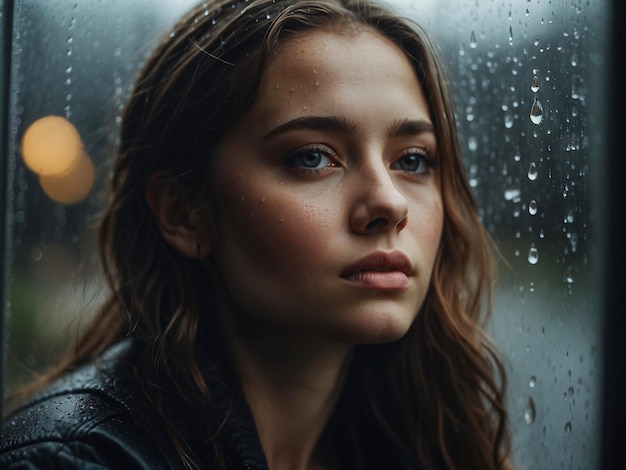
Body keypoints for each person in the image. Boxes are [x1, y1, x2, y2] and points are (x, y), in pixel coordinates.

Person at [0, 0, 512, 468]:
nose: (389, 203)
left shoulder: (430, 442)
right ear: (184, 213)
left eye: (413, 160)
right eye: (312, 157)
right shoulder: (74, 460)